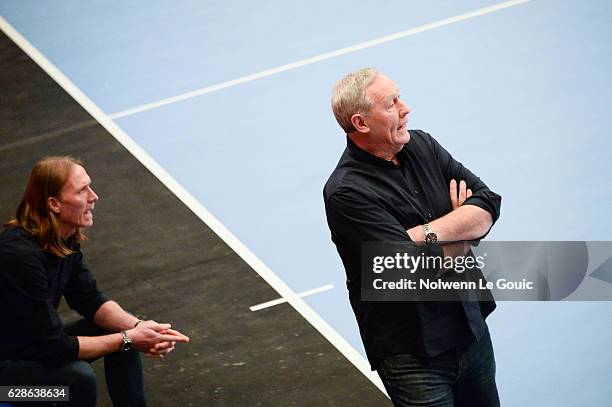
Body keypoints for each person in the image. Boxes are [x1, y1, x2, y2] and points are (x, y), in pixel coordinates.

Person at [324, 68, 502, 406]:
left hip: (469, 330)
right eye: (391, 104)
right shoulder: (345, 193)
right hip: (413, 358)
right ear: (361, 123)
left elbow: (488, 203)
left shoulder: (423, 145)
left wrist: (424, 234)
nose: (405, 108)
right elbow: (406, 269)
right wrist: (460, 234)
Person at [0, 156, 190, 406]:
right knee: (78, 380)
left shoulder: (63, 238)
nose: (94, 196)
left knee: (121, 336)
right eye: (82, 191)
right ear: (54, 204)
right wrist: (130, 338)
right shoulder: (20, 257)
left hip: (27, 353)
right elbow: (54, 348)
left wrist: (142, 329)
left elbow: (90, 300)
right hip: (7, 388)